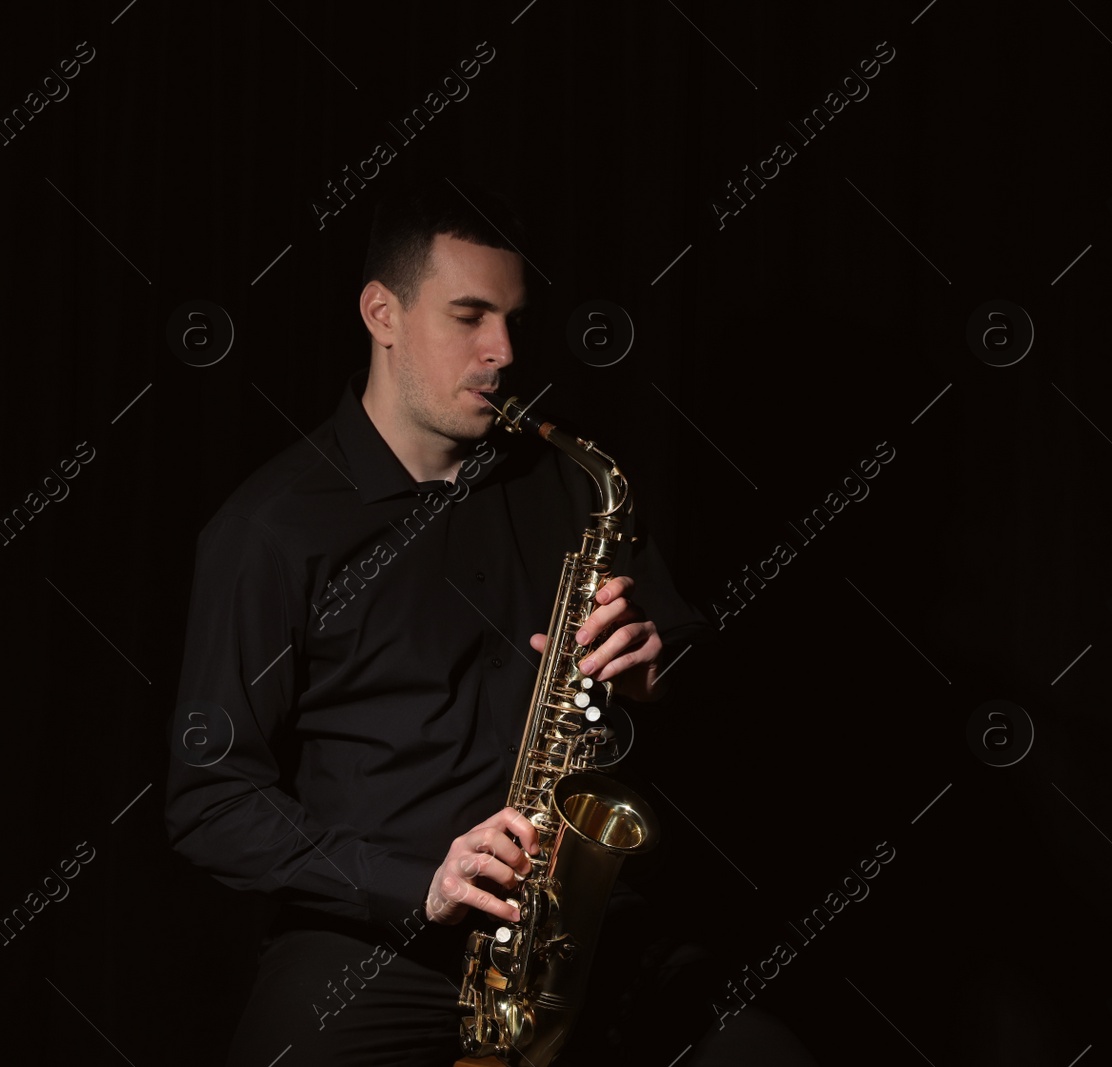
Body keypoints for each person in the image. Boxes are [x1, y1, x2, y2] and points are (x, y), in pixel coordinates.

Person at [166, 184, 810, 1066]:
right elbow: (210, 800)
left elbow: (696, 677)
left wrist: (653, 676)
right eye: (469, 316)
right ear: (381, 313)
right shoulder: (269, 530)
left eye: (511, 319)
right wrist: (416, 883)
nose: (503, 352)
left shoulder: (576, 484)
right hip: (378, 938)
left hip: (578, 924)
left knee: (764, 1057)